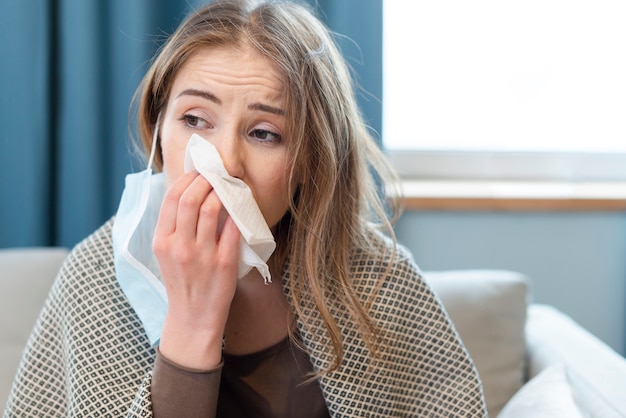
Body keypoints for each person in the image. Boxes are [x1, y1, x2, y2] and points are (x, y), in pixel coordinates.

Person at [4, 0, 487, 416]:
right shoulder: (96, 277)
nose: (226, 164)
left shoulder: (376, 279)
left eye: (264, 134)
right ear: (158, 133)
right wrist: (193, 323)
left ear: (309, 163)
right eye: (195, 119)